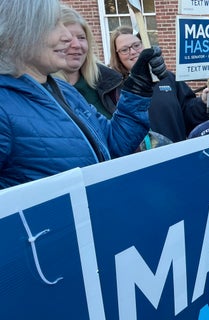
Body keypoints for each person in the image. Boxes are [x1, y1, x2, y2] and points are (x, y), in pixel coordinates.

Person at [0, 0, 168, 189]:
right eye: (53, 24)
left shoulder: (63, 91)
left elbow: (114, 143)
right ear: (16, 31)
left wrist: (138, 88)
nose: (66, 36)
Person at [110, 26, 209, 143]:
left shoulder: (167, 78)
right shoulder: (113, 87)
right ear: (117, 55)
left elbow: (188, 113)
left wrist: (203, 101)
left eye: (136, 45)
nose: (132, 52)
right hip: (140, 158)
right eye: (124, 50)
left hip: (175, 152)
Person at [55, 5, 122, 119]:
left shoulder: (110, 82)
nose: (77, 45)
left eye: (81, 37)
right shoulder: (39, 91)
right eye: (66, 39)